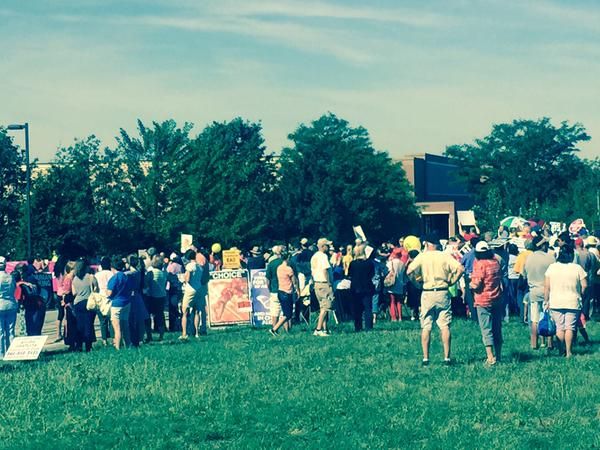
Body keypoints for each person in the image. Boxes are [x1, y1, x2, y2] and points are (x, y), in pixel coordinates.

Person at [407, 235, 464, 366]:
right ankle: (446, 358)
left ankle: (426, 358)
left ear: (426, 243)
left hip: (427, 291)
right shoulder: (444, 256)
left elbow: (409, 271)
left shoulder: (422, 256)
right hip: (442, 291)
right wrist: (452, 281)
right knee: (444, 325)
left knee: (426, 325)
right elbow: (460, 269)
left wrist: (416, 284)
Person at [544, 247, 587, 358]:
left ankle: (560, 350)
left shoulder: (552, 267)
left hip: (556, 301)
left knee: (559, 327)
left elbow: (547, 286)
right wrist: (580, 294)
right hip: (573, 301)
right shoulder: (577, 268)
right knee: (570, 327)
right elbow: (585, 285)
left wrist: (546, 300)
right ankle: (569, 352)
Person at [469, 242, 503, 365]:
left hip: (483, 300)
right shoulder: (496, 262)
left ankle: (490, 357)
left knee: (486, 329)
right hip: (497, 298)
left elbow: (477, 283)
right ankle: (498, 355)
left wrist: (470, 284)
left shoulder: (480, 264)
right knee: (497, 328)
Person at [522, 236, 555, 350]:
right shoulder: (550, 258)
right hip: (548, 291)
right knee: (549, 317)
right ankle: (550, 343)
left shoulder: (528, 258)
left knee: (535, 319)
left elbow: (523, 274)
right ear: (542, 245)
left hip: (534, 291)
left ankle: (534, 343)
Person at [71, 259, 98, 352]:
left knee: (79, 325)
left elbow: (74, 292)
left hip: (77, 303)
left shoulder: (74, 279)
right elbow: (96, 289)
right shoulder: (91, 277)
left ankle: (78, 345)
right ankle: (88, 346)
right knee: (89, 324)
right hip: (88, 302)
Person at [180, 249, 206, 340]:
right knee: (197, 311)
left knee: (185, 312)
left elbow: (187, 279)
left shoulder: (189, 266)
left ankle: (184, 333)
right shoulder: (199, 267)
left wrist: (183, 278)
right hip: (199, 289)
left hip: (190, 290)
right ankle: (197, 333)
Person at [348, 245, 375, 331]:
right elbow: (372, 274)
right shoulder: (369, 263)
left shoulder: (352, 263)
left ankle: (358, 326)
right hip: (367, 287)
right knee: (368, 308)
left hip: (355, 288)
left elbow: (350, 274)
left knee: (357, 309)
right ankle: (368, 326)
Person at [107, 257, 132, 349]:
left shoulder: (114, 278)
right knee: (125, 326)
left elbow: (109, 293)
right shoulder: (126, 276)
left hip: (117, 303)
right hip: (127, 302)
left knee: (117, 329)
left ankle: (118, 347)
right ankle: (128, 345)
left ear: (112, 268)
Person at [270, 252, 298, 335]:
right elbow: (294, 281)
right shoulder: (289, 269)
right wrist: (297, 290)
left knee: (285, 312)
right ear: (288, 258)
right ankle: (274, 329)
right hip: (287, 292)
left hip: (280, 291)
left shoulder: (279, 268)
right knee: (287, 314)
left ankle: (282, 330)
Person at [311, 238, 334, 336]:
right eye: (327, 246)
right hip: (324, 283)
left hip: (317, 283)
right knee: (326, 306)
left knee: (322, 307)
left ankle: (325, 329)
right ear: (323, 246)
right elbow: (325, 270)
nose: (329, 247)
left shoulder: (314, 256)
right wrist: (329, 283)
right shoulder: (323, 256)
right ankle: (318, 329)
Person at [126, 255, 149, 347]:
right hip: (138, 295)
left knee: (134, 318)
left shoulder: (132, 273)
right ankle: (140, 338)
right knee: (140, 318)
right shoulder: (139, 272)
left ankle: (136, 338)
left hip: (132, 296)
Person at [144, 255, 167, 342]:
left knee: (147, 316)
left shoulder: (150, 272)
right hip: (161, 296)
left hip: (151, 296)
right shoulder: (163, 273)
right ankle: (161, 335)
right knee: (160, 316)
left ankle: (149, 335)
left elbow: (146, 284)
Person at [0, 256, 17, 358]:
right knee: (10, 331)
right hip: (11, 304)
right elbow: (14, 288)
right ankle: (12, 353)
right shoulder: (10, 277)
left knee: (0, 331)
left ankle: (1, 354)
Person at [94, 256, 113, 346]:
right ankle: (113, 339)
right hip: (110, 298)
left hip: (100, 298)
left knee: (103, 321)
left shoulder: (97, 275)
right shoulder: (111, 274)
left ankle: (104, 340)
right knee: (112, 321)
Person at [387, 247, 407, 322]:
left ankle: (394, 317)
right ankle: (400, 317)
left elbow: (387, 272)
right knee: (399, 301)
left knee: (392, 301)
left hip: (392, 284)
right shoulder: (402, 264)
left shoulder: (390, 263)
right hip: (400, 284)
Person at [265, 246, 284, 328]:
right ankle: (287, 330)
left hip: (275, 290)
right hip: (286, 289)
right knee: (286, 312)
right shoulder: (287, 262)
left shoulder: (271, 264)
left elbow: (267, 279)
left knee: (275, 311)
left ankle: (275, 329)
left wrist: (269, 288)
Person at [166, 253, 184, 332]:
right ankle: (179, 325)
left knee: (172, 308)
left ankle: (172, 326)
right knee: (178, 306)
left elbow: (167, 275)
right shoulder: (180, 267)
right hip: (179, 288)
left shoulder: (170, 266)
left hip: (171, 288)